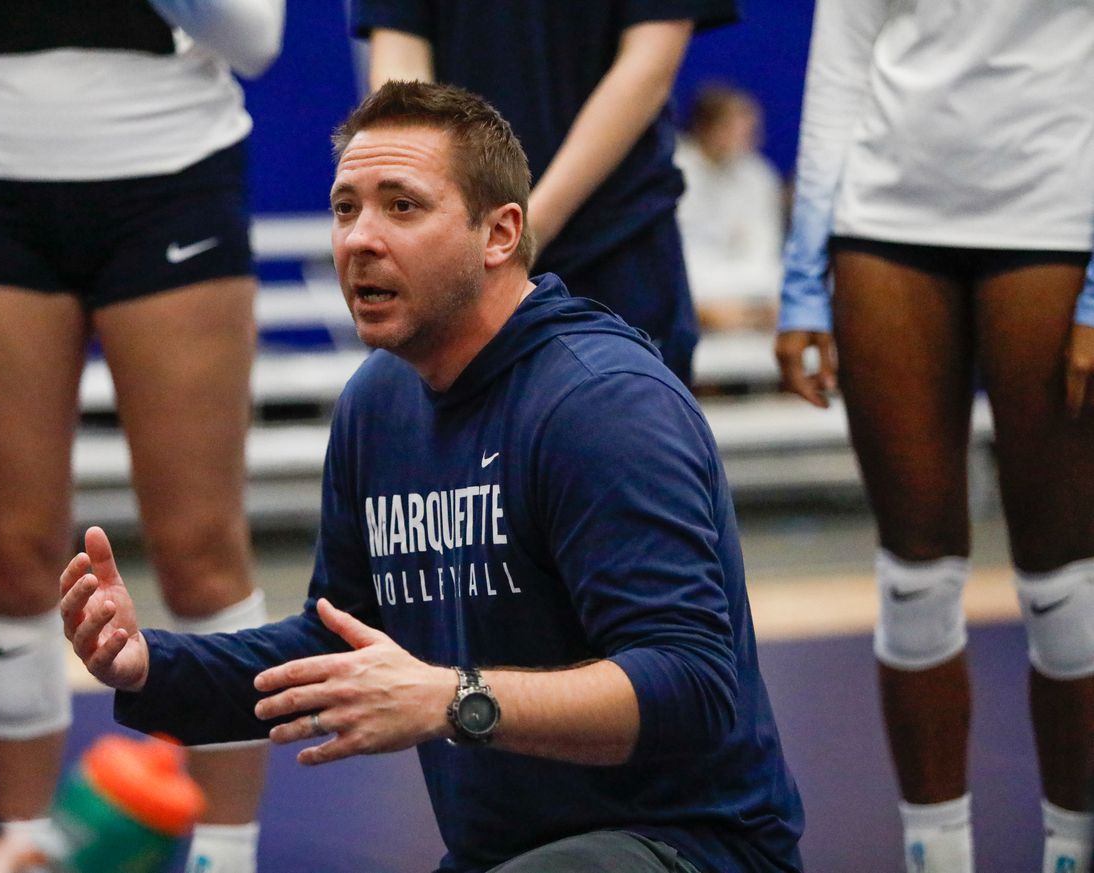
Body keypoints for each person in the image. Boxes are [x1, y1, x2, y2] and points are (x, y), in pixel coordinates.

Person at [61, 81, 804, 873]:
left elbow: (688, 685)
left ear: (500, 233)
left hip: (688, 850)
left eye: (402, 206)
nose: (359, 240)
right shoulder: (377, 405)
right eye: (346, 208)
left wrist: (452, 699)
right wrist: (153, 663)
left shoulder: (603, 404)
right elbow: (333, 640)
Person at [0, 2, 284, 870]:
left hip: (173, 175)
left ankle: (225, 853)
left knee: (200, 549)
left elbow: (258, 39)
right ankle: (22, 851)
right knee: (12, 554)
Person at [775, 2, 1094, 871]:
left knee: (1067, 590)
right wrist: (805, 280)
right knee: (914, 578)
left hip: (1054, 225)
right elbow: (840, 70)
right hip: (883, 230)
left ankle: (1073, 851)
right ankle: (934, 855)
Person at [349, 0, 736, 387]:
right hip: (451, 264)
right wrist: (454, 223)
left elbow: (647, 66)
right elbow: (399, 59)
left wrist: (521, 229)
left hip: (612, 253)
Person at [674, 83, 782, 333]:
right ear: (704, 127)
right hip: (694, 289)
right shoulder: (672, 172)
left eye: (749, 129)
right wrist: (702, 310)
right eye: (732, 128)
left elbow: (764, 249)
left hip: (747, 288)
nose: (744, 137)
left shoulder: (758, 176)